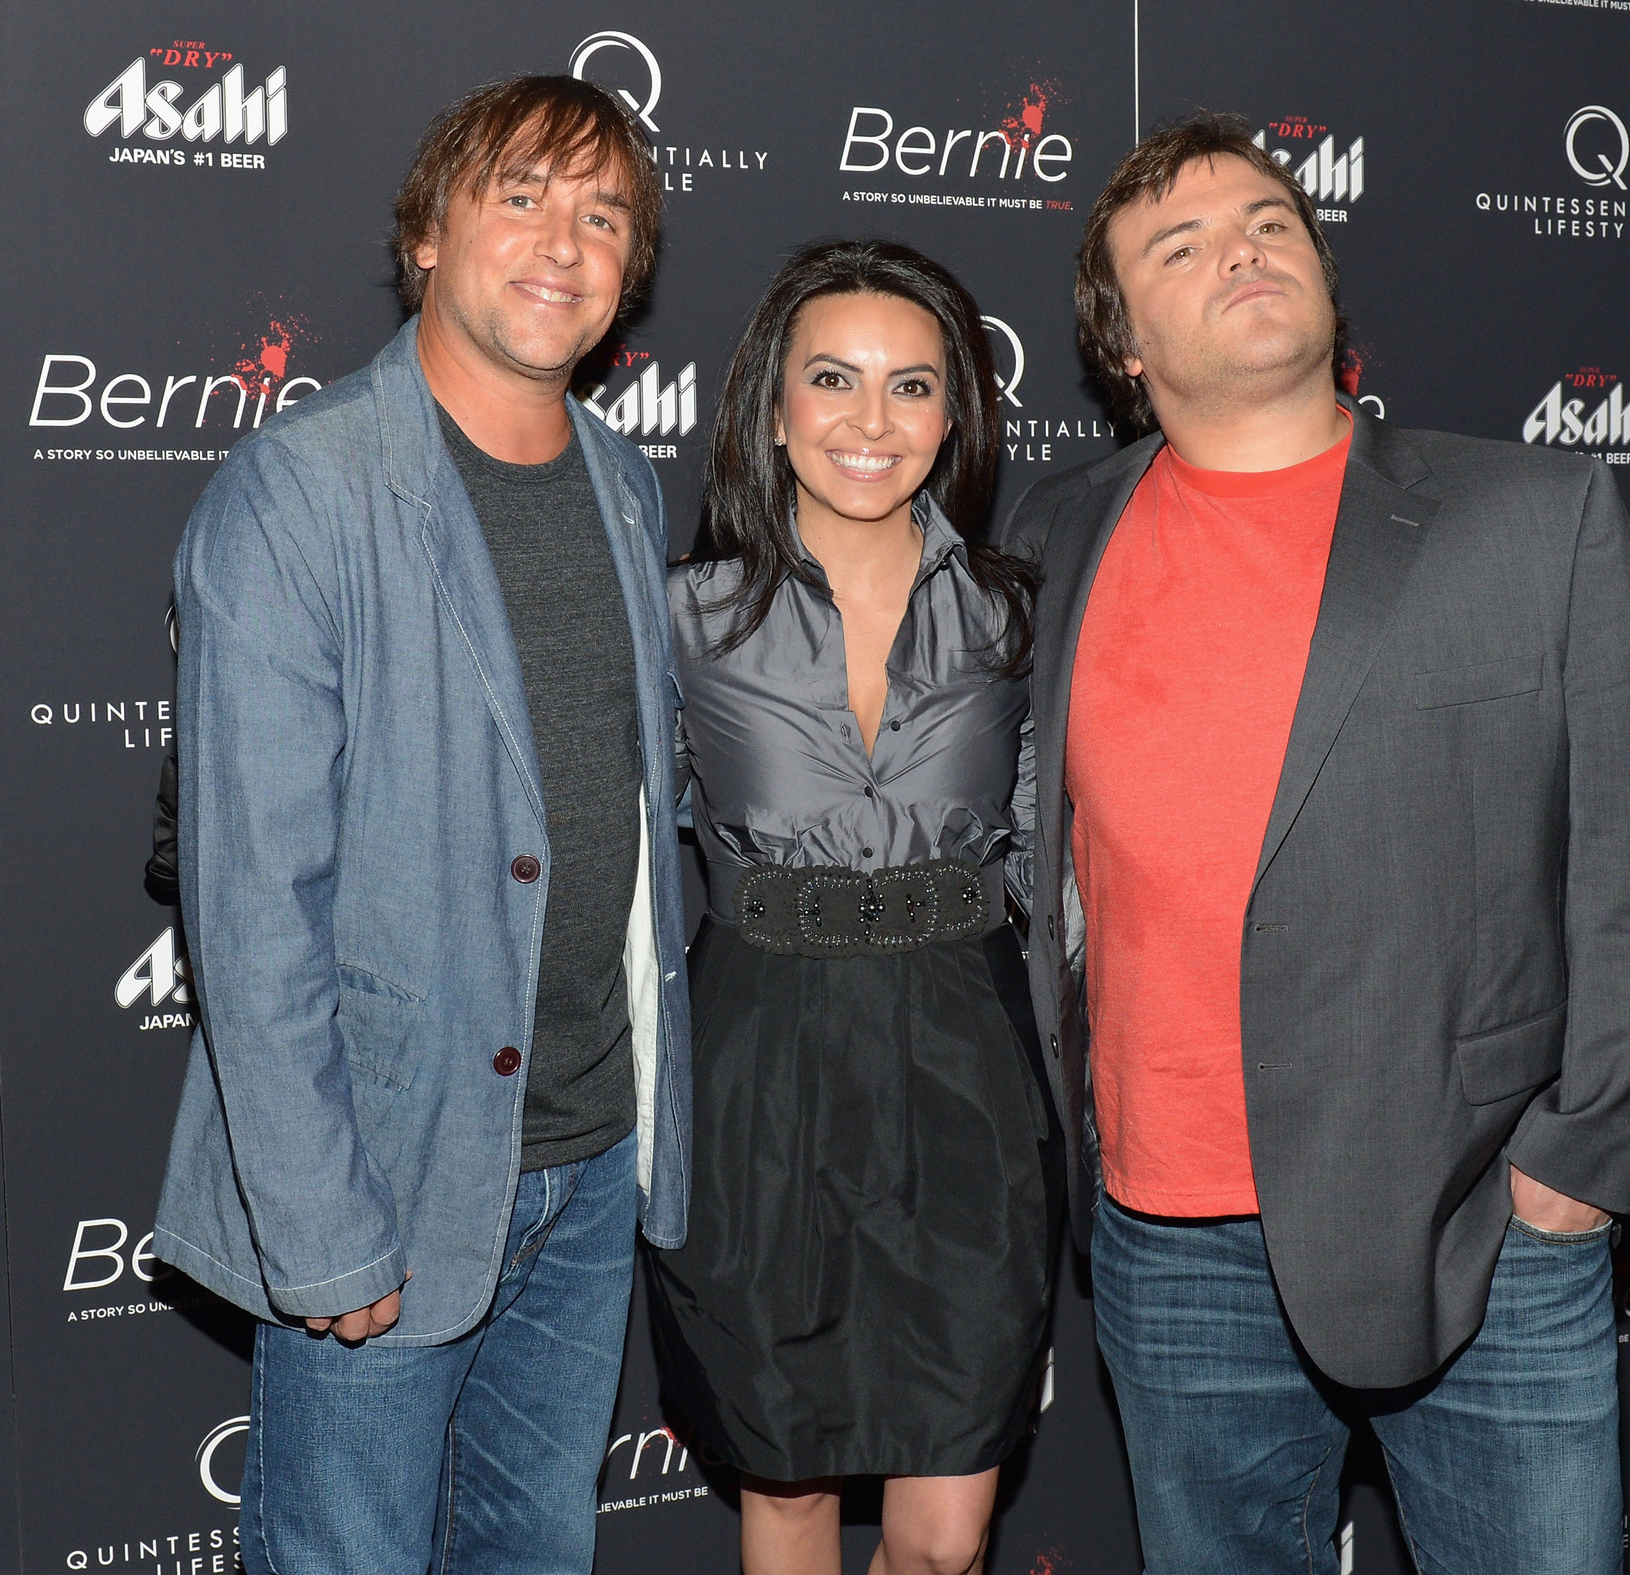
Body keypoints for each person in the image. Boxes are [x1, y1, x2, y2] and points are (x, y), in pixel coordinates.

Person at [1000, 113, 1630, 1575]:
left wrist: (1578, 1166)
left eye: (1270, 221)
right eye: (1180, 247)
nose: (1243, 250)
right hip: (1169, 1233)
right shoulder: (1057, 529)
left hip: (1474, 1222)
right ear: (1122, 347)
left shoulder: (1530, 512)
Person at [151, 76, 690, 1575]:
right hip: (385, 1178)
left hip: (589, 1164)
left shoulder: (626, 483)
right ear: (427, 236)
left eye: (604, 214)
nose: (563, 241)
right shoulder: (299, 494)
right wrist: (322, 1229)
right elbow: (250, 905)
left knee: (536, 1555)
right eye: (521, 194)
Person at [650, 240, 1059, 1575]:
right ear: (774, 406)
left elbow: (1062, 845)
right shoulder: (687, 616)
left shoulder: (1014, 614)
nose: (868, 423)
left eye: (911, 387)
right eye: (832, 380)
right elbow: (617, 855)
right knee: (791, 1497)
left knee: (944, 1544)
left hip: (967, 1062)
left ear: (954, 417)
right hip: (761, 1054)